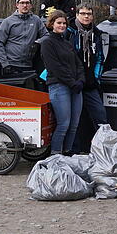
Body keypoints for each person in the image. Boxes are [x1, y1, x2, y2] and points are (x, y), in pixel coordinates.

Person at [39, 10, 85, 155]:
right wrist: (72, 82)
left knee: (74, 124)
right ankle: (55, 154)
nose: (62, 25)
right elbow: (55, 67)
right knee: (63, 124)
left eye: (64, 23)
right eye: (59, 23)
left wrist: (81, 81)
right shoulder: (47, 43)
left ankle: (67, 151)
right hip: (59, 87)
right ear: (52, 24)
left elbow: (78, 64)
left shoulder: (66, 43)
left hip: (75, 87)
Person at [65, 2, 109, 153]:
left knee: (101, 117)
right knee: (74, 120)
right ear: (77, 15)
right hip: (73, 83)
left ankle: (104, 150)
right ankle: (73, 152)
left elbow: (99, 58)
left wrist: (96, 78)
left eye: (89, 14)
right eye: (83, 13)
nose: (86, 16)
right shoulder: (69, 31)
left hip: (90, 85)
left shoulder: (96, 34)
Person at [0, 0, 47, 76]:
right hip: (11, 65)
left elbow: (46, 35)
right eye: (22, 3)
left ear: (31, 5)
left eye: (27, 3)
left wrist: (38, 42)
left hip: (29, 65)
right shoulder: (8, 22)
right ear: (17, 5)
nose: (25, 5)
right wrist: (5, 64)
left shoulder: (36, 20)